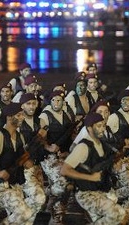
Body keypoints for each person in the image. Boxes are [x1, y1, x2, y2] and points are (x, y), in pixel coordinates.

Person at [60, 112, 127, 225]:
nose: (102, 129)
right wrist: (90, 177)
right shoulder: (83, 147)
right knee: (117, 213)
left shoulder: (102, 144)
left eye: (103, 125)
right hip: (86, 193)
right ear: (89, 128)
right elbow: (64, 170)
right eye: (98, 126)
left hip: (100, 189)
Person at [0, 102, 45, 224]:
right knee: (25, 213)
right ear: (9, 117)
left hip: (16, 184)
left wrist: (29, 163)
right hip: (2, 187)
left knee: (26, 220)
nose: (22, 117)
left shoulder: (20, 136)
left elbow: (21, 160)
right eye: (19, 115)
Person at [39, 90, 75, 224]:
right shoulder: (45, 116)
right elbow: (39, 137)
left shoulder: (67, 114)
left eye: (59, 100)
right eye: (53, 100)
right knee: (63, 184)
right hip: (49, 157)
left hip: (64, 156)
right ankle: (56, 217)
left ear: (63, 101)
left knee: (68, 186)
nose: (56, 103)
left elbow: (70, 136)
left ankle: (51, 200)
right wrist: (48, 147)